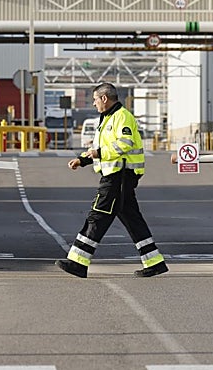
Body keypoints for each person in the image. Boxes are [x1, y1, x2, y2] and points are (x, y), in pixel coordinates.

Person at [57, 82, 168, 278]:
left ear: (104, 98)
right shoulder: (107, 118)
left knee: (97, 216)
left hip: (119, 177)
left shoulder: (121, 117)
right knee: (132, 219)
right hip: (115, 176)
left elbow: (124, 144)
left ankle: (78, 262)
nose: (93, 104)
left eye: (94, 100)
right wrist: (82, 159)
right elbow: (100, 147)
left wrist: (98, 153)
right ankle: (155, 262)